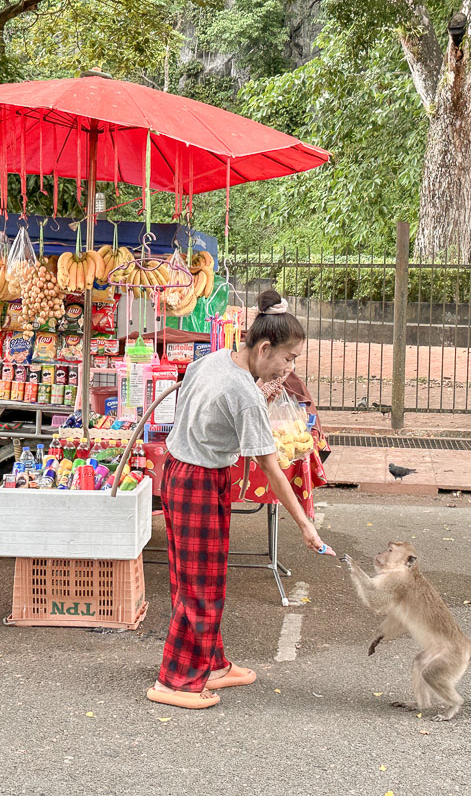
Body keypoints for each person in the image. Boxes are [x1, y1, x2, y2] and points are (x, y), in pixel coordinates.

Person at [146, 289, 335, 710]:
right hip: (198, 480)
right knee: (200, 587)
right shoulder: (246, 395)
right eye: (288, 359)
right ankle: (174, 680)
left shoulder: (212, 360)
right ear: (265, 348)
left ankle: (210, 664)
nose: (289, 368)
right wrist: (306, 523)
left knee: (199, 578)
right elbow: (270, 467)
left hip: (180, 472)